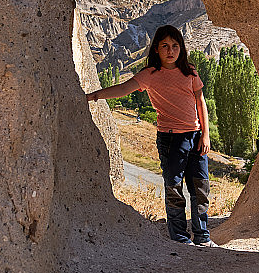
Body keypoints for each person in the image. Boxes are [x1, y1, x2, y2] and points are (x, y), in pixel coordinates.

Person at [87, 25, 215, 247]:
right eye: (165, 46)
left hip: (194, 137)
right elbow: (123, 89)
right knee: (174, 189)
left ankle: (203, 237)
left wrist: (206, 134)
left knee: (200, 188)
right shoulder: (150, 75)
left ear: (181, 49)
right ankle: (180, 238)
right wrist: (94, 95)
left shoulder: (190, 72)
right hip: (170, 140)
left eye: (175, 46)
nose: (170, 51)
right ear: (156, 49)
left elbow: (200, 102)